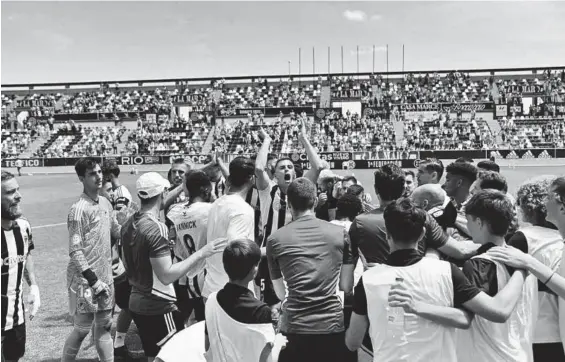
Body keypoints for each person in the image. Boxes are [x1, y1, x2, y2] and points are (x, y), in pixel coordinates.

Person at [345, 198, 528, 362]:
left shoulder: (368, 280)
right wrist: (523, 268)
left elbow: (353, 342)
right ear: (423, 234)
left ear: (387, 235)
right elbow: (467, 318)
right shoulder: (447, 271)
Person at [120, 172, 224, 361]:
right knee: (172, 356)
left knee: (154, 356)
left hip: (136, 300)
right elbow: (167, 275)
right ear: (162, 193)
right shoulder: (157, 228)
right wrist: (202, 252)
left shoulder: (128, 223)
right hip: (158, 303)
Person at [267, 177, 354, 362]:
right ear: (315, 201)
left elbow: (281, 294)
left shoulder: (274, 240)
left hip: (294, 327)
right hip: (331, 324)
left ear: (289, 204)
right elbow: (346, 286)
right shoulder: (341, 234)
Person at [456, 190, 534, 362]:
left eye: (468, 220)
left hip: (488, 356)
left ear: (478, 222)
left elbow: (466, 317)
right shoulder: (527, 264)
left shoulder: (478, 264)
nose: (467, 226)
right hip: (522, 354)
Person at [488, 177, 565, 350]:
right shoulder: (559, 238)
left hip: (539, 331)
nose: (544, 202)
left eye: (549, 197)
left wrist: (530, 265)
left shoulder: (524, 237)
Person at [255, 120, 324, 308]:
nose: (287, 169)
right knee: (270, 306)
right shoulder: (268, 191)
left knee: (295, 302)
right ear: (275, 174)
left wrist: (303, 139)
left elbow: (317, 167)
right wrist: (267, 140)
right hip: (269, 256)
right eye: (282, 167)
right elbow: (259, 169)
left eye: (290, 167)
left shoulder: (301, 190)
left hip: (295, 254)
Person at [62, 158, 121, 362]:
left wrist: (133, 231)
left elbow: (114, 230)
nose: (98, 176)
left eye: (98, 172)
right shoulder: (78, 210)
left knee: (105, 326)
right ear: (81, 178)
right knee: (81, 330)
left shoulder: (105, 202)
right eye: (92, 174)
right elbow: (75, 251)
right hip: (87, 281)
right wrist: (93, 281)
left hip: (106, 277)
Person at [205, 239, 288, 362]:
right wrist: (279, 343)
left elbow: (208, 346)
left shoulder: (211, 300)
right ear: (254, 270)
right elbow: (268, 359)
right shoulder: (260, 310)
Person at [202, 157, 257, 300]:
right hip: (232, 293)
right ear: (252, 179)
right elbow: (237, 251)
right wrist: (265, 250)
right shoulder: (242, 209)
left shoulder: (217, 203)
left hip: (211, 287)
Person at [1, 171, 40, 362]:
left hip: (16, 317)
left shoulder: (24, 227)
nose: (18, 195)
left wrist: (33, 285)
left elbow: (26, 254)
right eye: (10, 192)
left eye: (18, 189)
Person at [166, 170, 213, 326]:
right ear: (206, 189)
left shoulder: (176, 212)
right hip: (207, 271)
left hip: (190, 272)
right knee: (209, 320)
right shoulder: (210, 210)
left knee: (196, 316)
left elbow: (167, 204)